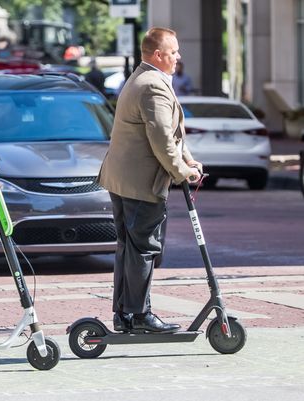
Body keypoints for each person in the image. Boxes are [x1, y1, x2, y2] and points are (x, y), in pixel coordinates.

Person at [98, 27, 202, 334]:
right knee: (144, 248)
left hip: (123, 180)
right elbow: (161, 139)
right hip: (141, 184)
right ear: (158, 55)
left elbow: (167, 134)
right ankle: (140, 314)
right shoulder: (152, 85)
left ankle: (124, 313)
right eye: (174, 52)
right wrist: (182, 172)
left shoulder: (140, 78)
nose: (178, 57)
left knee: (129, 248)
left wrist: (188, 159)